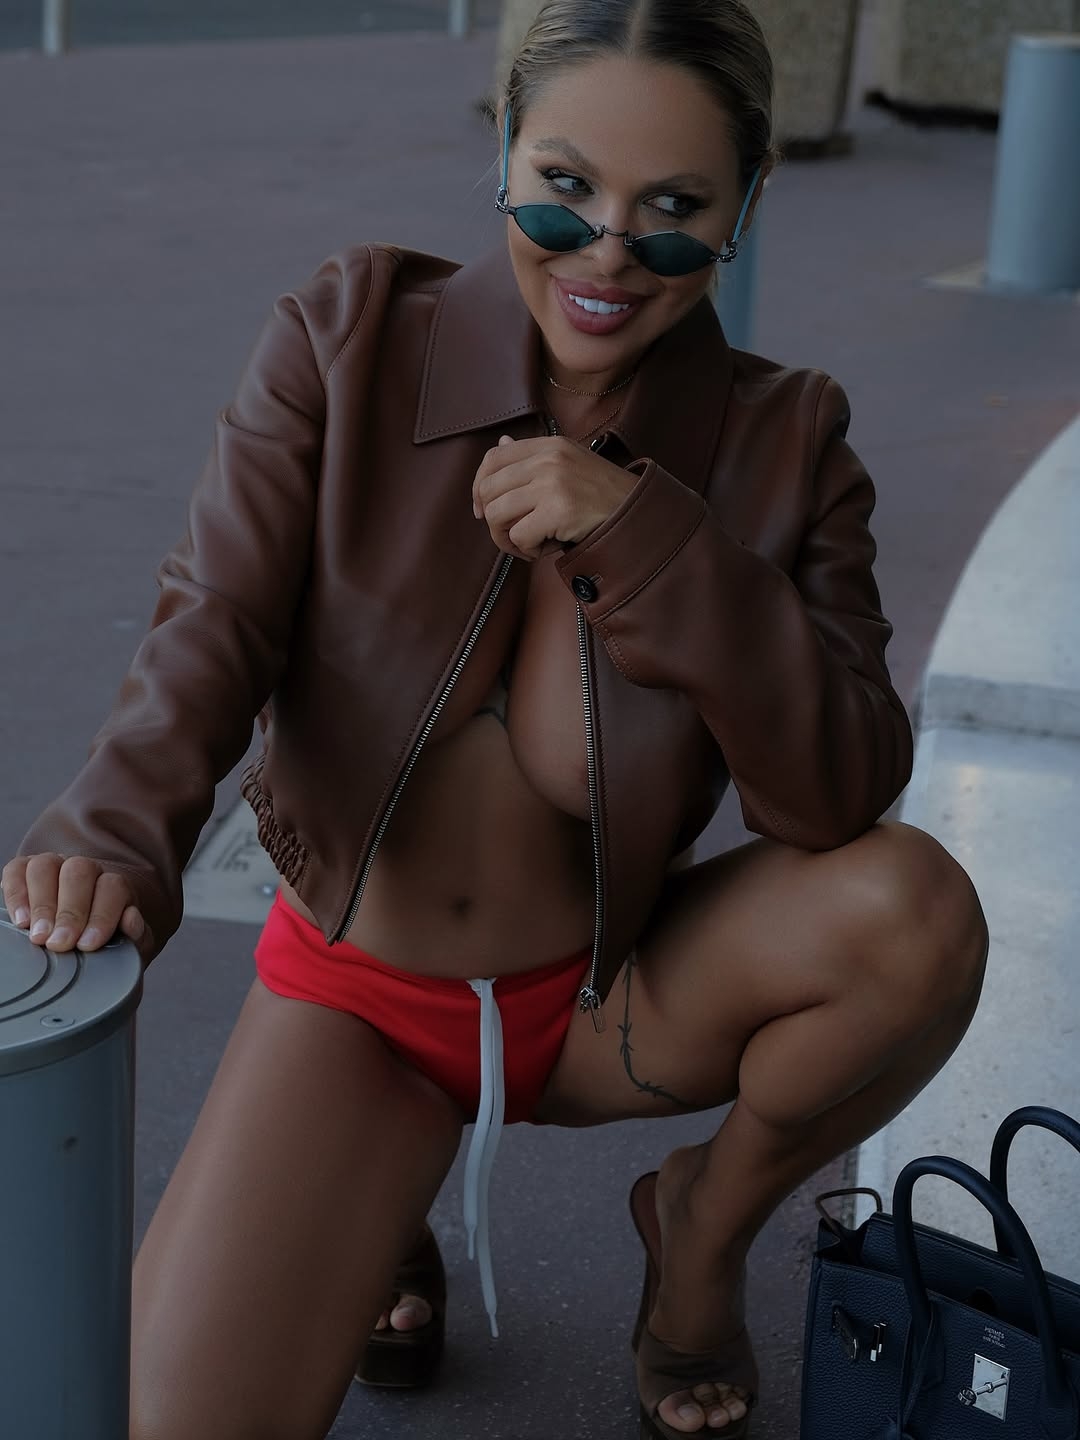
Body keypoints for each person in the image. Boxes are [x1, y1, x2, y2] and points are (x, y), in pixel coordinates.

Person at [2, 1, 989, 1436]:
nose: (607, 253)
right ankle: (380, 1215)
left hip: (611, 1001)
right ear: (509, 148)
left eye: (673, 212)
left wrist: (660, 546)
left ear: (746, 206)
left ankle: (698, 1236)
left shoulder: (789, 441)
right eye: (565, 189)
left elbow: (836, 792)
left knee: (917, 914)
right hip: (360, 1002)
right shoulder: (347, 336)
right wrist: (114, 823)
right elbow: (216, 614)